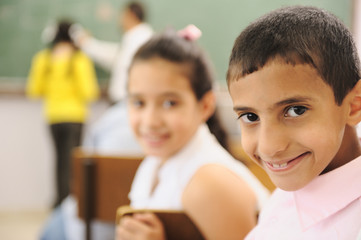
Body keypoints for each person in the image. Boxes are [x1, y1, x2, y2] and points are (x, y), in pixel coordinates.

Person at [116, 25, 270, 240]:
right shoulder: (158, 161)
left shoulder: (209, 183)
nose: (150, 121)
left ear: (205, 106)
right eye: (139, 102)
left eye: (170, 103)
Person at [226, 6, 361, 239]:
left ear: (354, 106)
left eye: (295, 110)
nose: (269, 147)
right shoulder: (287, 194)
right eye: (250, 117)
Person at [26, 19, 99, 208]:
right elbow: (90, 92)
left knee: (60, 161)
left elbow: (34, 90)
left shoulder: (43, 58)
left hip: (53, 117)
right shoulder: (79, 59)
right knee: (72, 162)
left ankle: (60, 201)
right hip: (75, 117)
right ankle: (70, 204)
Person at [72, 1, 153, 104]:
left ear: (131, 15)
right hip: (125, 102)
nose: (120, 20)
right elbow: (115, 57)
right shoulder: (134, 38)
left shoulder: (141, 39)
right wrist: (87, 44)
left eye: (122, 15)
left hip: (127, 101)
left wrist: (87, 44)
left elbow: (116, 59)